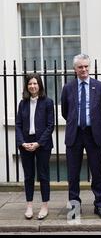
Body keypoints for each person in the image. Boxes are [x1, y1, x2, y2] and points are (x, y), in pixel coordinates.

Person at [61, 54, 101, 219]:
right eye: (80, 67)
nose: (83, 69)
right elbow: (65, 112)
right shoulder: (68, 88)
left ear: (90, 68)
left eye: (86, 67)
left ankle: (99, 205)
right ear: (75, 69)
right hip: (74, 135)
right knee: (73, 173)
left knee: (97, 172)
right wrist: (76, 121)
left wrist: (96, 122)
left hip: (93, 134)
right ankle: (74, 207)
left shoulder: (100, 86)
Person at [16, 73, 54, 220]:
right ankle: (29, 206)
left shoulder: (48, 102)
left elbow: (50, 126)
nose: (32, 86)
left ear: (40, 85)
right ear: (27, 86)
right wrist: (22, 142)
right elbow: (18, 125)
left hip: (42, 144)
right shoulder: (22, 103)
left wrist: (38, 143)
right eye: (30, 84)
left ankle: (45, 206)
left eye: (35, 83)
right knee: (28, 176)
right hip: (25, 143)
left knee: (43, 175)